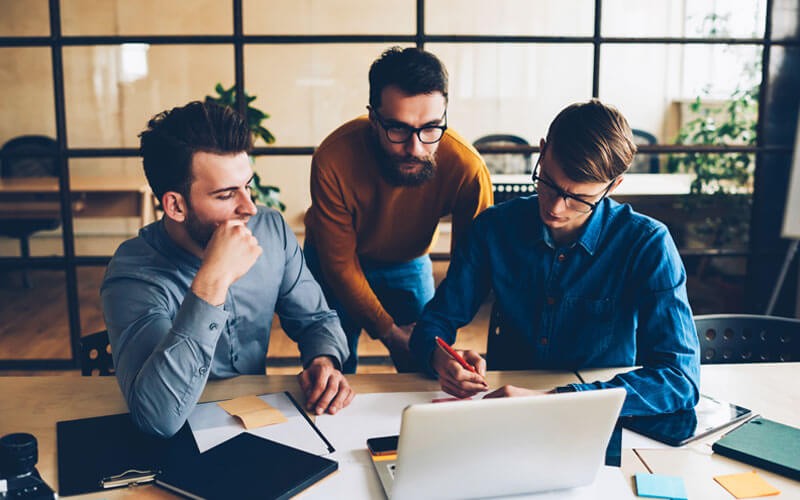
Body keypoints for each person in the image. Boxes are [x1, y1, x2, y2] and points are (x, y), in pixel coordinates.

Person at [409, 99, 701, 415]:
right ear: (542, 151)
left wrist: (555, 399)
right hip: (504, 412)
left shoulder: (647, 244)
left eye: (579, 198)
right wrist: (439, 357)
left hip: (596, 418)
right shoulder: (494, 228)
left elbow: (680, 379)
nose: (555, 207)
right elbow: (434, 323)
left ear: (614, 185)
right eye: (548, 182)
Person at [101, 101, 353, 437]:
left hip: (257, 423)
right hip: (180, 435)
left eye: (248, 186)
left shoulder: (270, 229)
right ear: (175, 205)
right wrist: (212, 282)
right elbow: (157, 418)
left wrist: (324, 361)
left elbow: (317, 320)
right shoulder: (134, 273)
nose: (249, 208)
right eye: (225, 195)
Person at [304, 46, 493, 374]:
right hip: (334, 260)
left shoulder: (467, 167)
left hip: (409, 259)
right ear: (373, 118)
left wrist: (436, 339)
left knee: (423, 363)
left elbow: (471, 267)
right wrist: (390, 333)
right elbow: (340, 265)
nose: (415, 148)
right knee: (336, 364)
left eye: (431, 127)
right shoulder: (332, 158)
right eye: (398, 129)